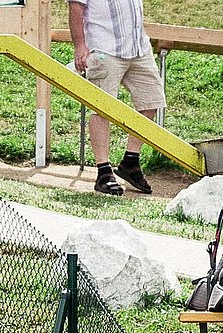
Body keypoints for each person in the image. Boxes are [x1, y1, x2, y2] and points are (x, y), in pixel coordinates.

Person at [68, 0, 165, 197]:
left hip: (138, 49)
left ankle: (130, 161)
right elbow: (75, 7)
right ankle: (103, 171)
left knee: (152, 100)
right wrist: (80, 46)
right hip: (105, 49)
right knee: (102, 109)